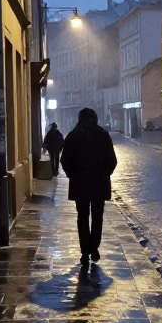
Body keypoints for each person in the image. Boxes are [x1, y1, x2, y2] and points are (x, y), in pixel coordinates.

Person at [60, 108, 118, 266]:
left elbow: (111, 161)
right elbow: (65, 161)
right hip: (90, 183)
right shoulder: (82, 136)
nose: (89, 123)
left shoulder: (74, 136)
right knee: (91, 217)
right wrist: (102, 175)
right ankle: (89, 249)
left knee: (86, 218)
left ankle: (89, 249)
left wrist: (76, 175)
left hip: (88, 183)